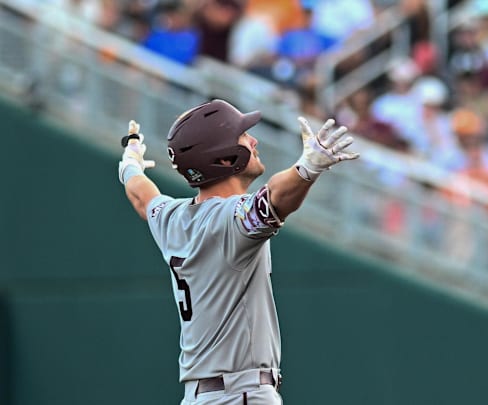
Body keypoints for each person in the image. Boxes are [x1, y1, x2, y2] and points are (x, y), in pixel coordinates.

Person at [117, 99, 359, 404]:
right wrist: (307, 168)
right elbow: (275, 198)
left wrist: (129, 165)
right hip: (240, 394)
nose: (254, 140)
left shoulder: (171, 217)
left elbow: (142, 196)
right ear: (222, 158)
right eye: (243, 135)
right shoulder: (230, 219)